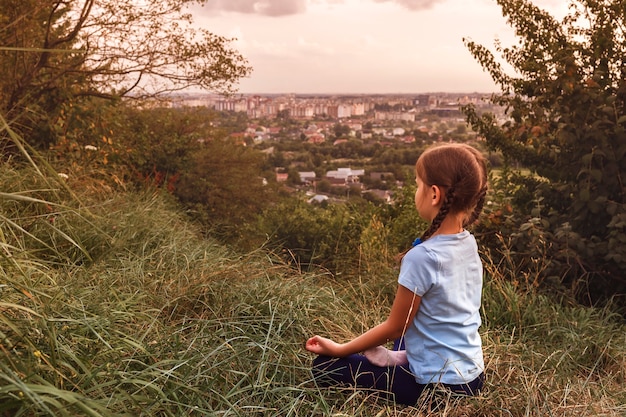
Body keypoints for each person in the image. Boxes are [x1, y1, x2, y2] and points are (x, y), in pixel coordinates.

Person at [305, 143, 488, 406]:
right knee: (408, 331)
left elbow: (393, 327)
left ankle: (399, 363)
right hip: (472, 377)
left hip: (437, 390)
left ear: (434, 194)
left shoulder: (422, 257)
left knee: (325, 366)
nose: (416, 191)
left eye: (417, 184)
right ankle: (400, 358)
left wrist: (340, 348)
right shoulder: (468, 243)